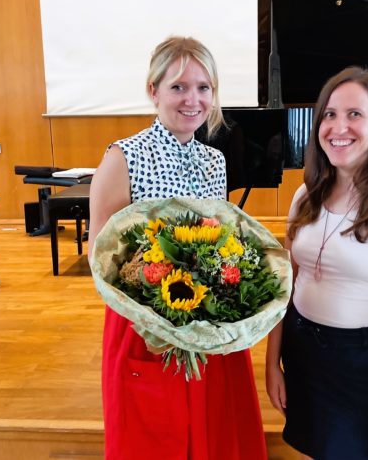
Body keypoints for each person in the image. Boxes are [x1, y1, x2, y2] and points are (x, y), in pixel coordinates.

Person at [88, 36, 267, 460]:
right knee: (153, 438)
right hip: (144, 328)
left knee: (216, 432)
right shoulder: (123, 158)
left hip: (209, 325)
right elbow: (102, 261)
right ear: (154, 91)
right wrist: (159, 310)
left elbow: (221, 240)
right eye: (179, 87)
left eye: (204, 87)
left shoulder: (214, 160)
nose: (193, 99)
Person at [265, 66, 368, 460]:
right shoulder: (305, 193)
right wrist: (272, 363)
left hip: (364, 365)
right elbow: (285, 285)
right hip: (304, 350)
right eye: (329, 114)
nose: (338, 126)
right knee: (317, 450)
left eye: (354, 114)